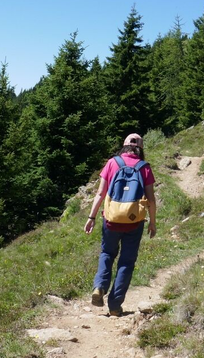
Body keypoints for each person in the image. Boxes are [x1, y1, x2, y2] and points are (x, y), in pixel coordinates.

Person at [84, 133, 157, 316]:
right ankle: (115, 306)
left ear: (124, 145)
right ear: (141, 148)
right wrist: (153, 223)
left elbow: (100, 194)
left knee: (107, 253)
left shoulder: (112, 163)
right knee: (127, 261)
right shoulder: (144, 168)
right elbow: (151, 200)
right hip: (134, 222)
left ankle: (99, 287)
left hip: (111, 219)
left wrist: (91, 217)